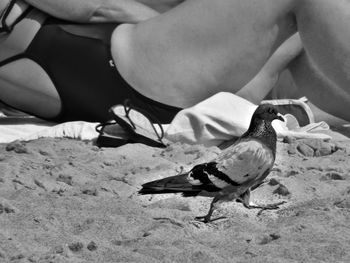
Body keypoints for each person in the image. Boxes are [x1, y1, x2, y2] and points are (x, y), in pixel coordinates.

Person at [1, 0, 350, 125]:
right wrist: (181, 29)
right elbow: (100, 6)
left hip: (126, 100)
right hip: (135, 73)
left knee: (293, 34)